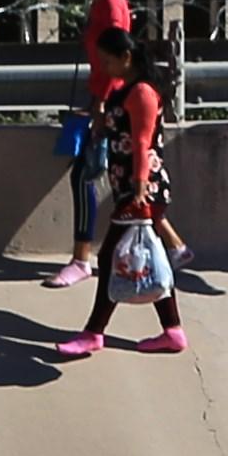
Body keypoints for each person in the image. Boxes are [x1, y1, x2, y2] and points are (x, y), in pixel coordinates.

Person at [58, 27, 192, 360]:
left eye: (107, 60)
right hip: (132, 187)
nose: (104, 66)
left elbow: (143, 143)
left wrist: (140, 185)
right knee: (149, 258)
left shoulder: (143, 92)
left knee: (109, 258)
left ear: (126, 58)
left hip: (142, 188)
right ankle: (173, 331)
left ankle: (93, 333)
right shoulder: (126, 90)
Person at [51, 0, 137, 291]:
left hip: (113, 101)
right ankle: (110, 255)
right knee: (105, 177)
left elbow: (113, 62)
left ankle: (82, 259)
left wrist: (100, 106)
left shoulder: (112, 8)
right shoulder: (99, 4)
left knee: (88, 176)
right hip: (101, 99)